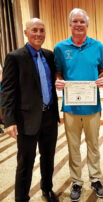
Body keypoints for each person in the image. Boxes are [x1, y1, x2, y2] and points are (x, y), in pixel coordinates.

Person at [2, 18, 59, 202]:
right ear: (26, 32)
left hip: (49, 116)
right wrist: (9, 121)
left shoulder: (49, 55)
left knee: (48, 157)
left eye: (42, 30)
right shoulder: (14, 57)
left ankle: (47, 189)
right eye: (34, 30)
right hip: (26, 119)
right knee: (25, 162)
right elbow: (8, 91)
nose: (38, 34)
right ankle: (21, 197)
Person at [54, 8, 103, 201]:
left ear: (87, 25)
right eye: (75, 21)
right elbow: (58, 72)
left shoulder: (97, 46)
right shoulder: (60, 48)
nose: (78, 25)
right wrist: (58, 81)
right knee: (73, 147)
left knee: (94, 145)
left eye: (82, 22)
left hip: (92, 107)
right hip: (70, 108)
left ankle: (95, 179)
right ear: (70, 24)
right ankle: (76, 181)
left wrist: (102, 79)